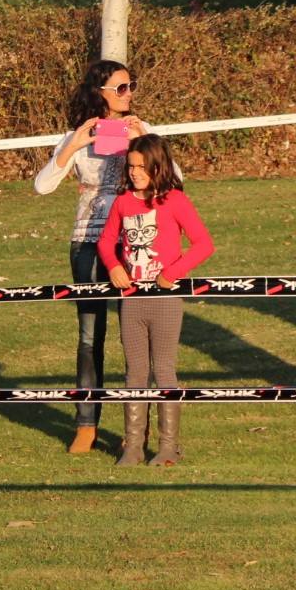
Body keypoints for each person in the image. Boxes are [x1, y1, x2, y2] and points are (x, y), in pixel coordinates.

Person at [33, 61, 151, 454]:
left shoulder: (140, 131)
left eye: (130, 85)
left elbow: (175, 180)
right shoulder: (77, 135)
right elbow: (43, 186)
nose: (129, 92)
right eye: (121, 87)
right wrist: (73, 145)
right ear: (99, 92)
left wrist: (144, 138)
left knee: (135, 336)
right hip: (86, 242)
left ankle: (137, 430)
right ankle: (86, 423)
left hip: (132, 244)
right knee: (89, 335)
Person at [99, 134, 214, 467]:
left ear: (157, 166)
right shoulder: (122, 202)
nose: (135, 172)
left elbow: (203, 244)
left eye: (141, 167)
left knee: (163, 370)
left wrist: (174, 273)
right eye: (131, 166)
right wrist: (114, 267)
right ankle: (133, 446)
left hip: (164, 300)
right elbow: (106, 244)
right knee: (134, 372)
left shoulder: (174, 200)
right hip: (132, 300)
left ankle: (168, 447)